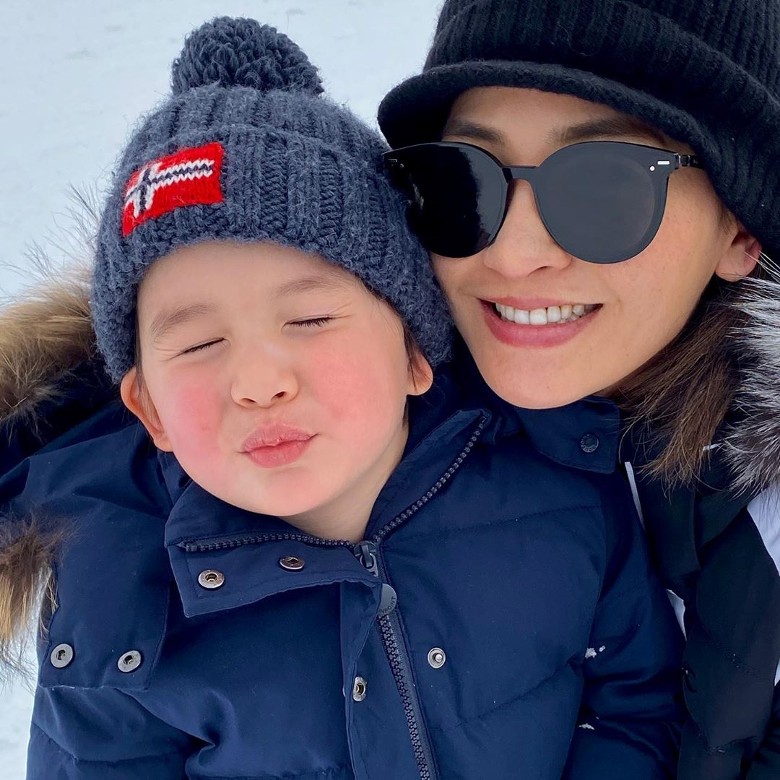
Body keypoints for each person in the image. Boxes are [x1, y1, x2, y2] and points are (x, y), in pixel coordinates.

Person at [0, 16, 682, 780]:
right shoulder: (115, 599)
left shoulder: (559, 489)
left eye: (310, 320)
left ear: (415, 352)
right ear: (149, 408)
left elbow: (634, 702)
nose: (259, 382)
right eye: (197, 344)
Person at [377, 0, 780, 777]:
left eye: (604, 186)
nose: (513, 253)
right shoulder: (325, 443)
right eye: (465, 178)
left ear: (741, 227)